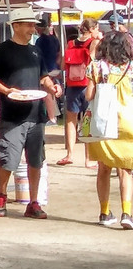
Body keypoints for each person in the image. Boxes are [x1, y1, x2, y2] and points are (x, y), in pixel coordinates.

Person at [0, 7, 63, 219]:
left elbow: (43, 77)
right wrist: (7, 90)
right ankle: (1, 195)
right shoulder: (2, 50)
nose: (32, 28)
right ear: (15, 26)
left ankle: (33, 202)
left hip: (36, 115)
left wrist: (52, 87)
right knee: (9, 158)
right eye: (28, 24)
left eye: (33, 25)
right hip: (12, 115)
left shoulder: (36, 51)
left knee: (36, 160)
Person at [85, 31, 133, 228]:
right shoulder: (131, 68)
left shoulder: (96, 67)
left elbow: (89, 95)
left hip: (102, 123)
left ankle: (104, 213)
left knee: (104, 169)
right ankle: (127, 214)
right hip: (127, 122)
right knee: (126, 170)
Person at [58, 17, 101, 167]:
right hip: (87, 85)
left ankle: (69, 154)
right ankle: (88, 159)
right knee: (87, 121)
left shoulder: (70, 44)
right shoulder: (93, 42)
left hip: (72, 85)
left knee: (71, 120)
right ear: (92, 29)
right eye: (97, 28)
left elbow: (63, 65)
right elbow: (94, 61)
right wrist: (98, 40)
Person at [35, 15, 61, 124]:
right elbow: (59, 53)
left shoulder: (40, 41)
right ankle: (54, 114)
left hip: (46, 69)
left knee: (47, 93)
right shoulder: (54, 38)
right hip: (55, 68)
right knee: (52, 92)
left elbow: (37, 56)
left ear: (39, 28)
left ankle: (51, 117)